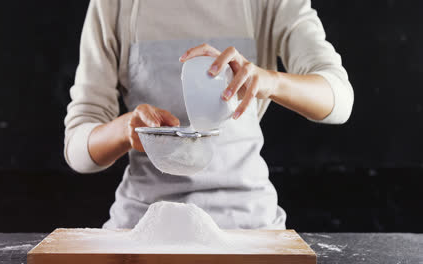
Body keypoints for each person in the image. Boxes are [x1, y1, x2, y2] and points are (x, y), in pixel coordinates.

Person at [64, 0, 354, 229]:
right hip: (145, 224)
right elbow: (78, 149)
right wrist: (127, 129)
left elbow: (339, 99)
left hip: (249, 224)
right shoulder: (113, 4)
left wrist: (269, 81)